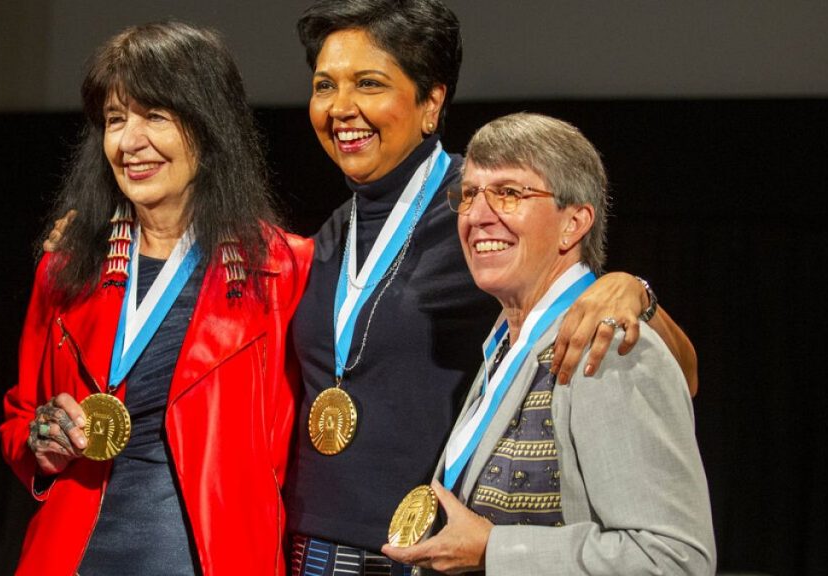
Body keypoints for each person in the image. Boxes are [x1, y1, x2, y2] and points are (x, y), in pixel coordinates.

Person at [286, 1, 699, 574]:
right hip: (305, 549)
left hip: (416, 556)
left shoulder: (482, 210)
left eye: (369, 84)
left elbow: (676, 368)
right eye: (324, 85)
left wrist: (634, 292)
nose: (340, 107)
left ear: (431, 102)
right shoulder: (329, 234)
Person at [0, 22, 312, 576]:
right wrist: (40, 439)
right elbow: (21, 418)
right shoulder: (67, 267)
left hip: (214, 558)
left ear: (208, 127)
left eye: (155, 116)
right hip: (73, 557)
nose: (129, 141)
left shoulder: (282, 270)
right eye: (116, 119)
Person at [381, 113, 715, 574]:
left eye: (509, 193)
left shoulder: (608, 345)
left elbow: (674, 559)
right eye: (471, 193)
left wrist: (493, 550)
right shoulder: (506, 341)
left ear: (573, 223)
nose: (477, 216)